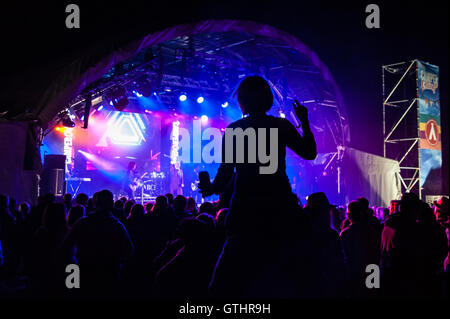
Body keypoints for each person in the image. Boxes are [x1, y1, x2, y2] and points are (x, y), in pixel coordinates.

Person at [198, 75, 317, 298]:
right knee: (286, 276)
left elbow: (225, 173)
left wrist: (211, 188)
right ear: (267, 98)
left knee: (226, 284)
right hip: (280, 207)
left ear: (242, 100)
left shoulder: (234, 129)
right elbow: (309, 152)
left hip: (245, 209)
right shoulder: (280, 125)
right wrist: (305, 121)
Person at [62, 190, 134, 298]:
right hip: (109, 274)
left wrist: (72, 277)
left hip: (85, 272)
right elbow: (129, 250)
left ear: (95, 203)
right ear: (111, 204)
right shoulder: (116, 225)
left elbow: (66, 247)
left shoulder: (82, 222)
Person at [340, 200, 380, 298]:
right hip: (372, 270)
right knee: (372, 295)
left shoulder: (345, 233)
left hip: (354, 273)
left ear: (348, 215)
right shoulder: (371, 230)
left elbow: (343, 256)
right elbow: (377, 251)